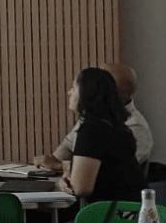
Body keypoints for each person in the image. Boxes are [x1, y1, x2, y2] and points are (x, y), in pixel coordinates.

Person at [34, 61, 153, 171]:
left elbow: (114, 171)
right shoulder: (93, 117)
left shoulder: (136, 128)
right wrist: (52, 162)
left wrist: (61, 166)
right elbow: (68, 145)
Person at [56, 66, 145, 211]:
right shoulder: (115, 127)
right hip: (130, 212)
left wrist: (65, 179)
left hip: (114, 217)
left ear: (87, 94)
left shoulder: (92, 131)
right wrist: (68, 173)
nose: (69, 92)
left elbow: (81, 189)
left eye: (74, 88)